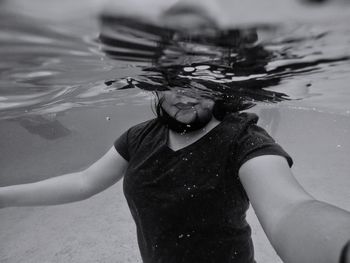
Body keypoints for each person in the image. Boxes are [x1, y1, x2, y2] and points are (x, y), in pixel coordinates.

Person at [0, 86, 350, 263]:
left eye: (197, 84)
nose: (183, 97)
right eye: (173, 83)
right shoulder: (139, 136)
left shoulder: (243, 138)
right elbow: (84, 182)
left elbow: (289, 210)